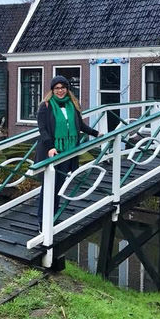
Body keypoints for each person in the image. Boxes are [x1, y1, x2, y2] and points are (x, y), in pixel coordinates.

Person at [35, 75, 100, 229]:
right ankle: (42, 221)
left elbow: (80, 126)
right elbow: (43, 130)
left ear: (67, 89)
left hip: (67, 152)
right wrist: (50, 147)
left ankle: (53, 217)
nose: (60, 91)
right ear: (52, 90)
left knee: (59, 187)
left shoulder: (72, 105)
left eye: (63, 87)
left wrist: (96, 134)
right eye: (57, 88)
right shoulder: (45, 106)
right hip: (52, 153)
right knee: (48, 187)